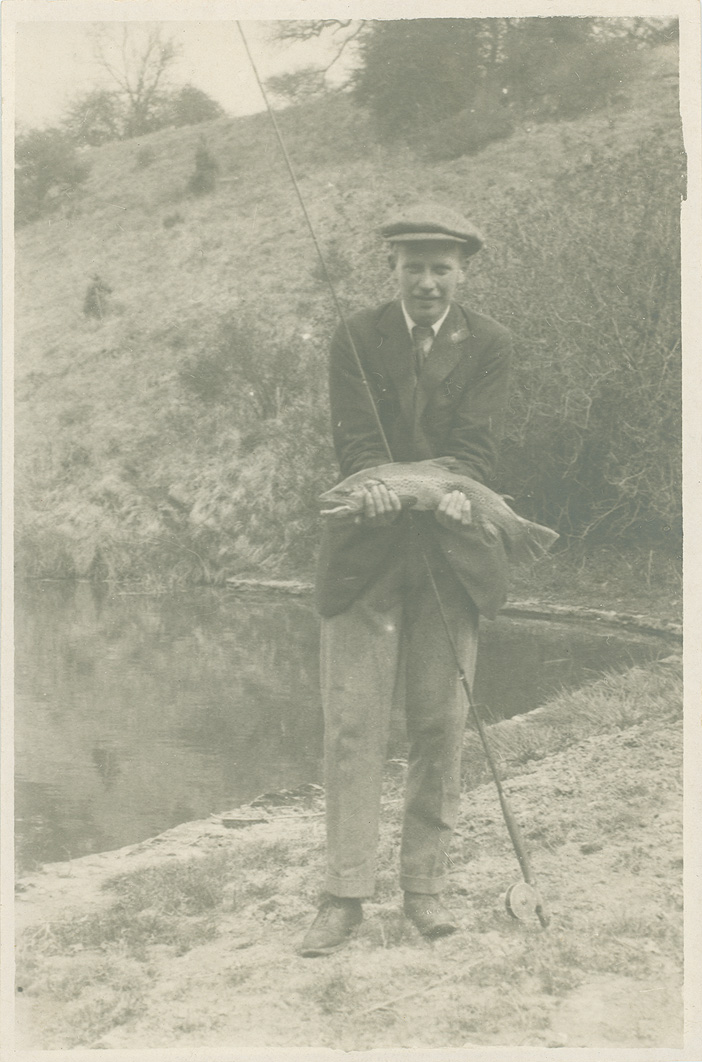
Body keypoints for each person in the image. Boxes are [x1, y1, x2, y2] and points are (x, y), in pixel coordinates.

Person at [301, 203, 512, 957]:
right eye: (413, 267)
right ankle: (343, 895)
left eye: (441, 268)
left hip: (450, 557)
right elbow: (356, 445)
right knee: (353, 728)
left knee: (439, 725)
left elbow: (477, 449)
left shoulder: (490, 343)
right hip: (366, 558)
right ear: (391, 268)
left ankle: (426, 889)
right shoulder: (355, 337)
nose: (426, 282)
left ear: (463, 272)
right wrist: (376, 489)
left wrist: (457, 495)